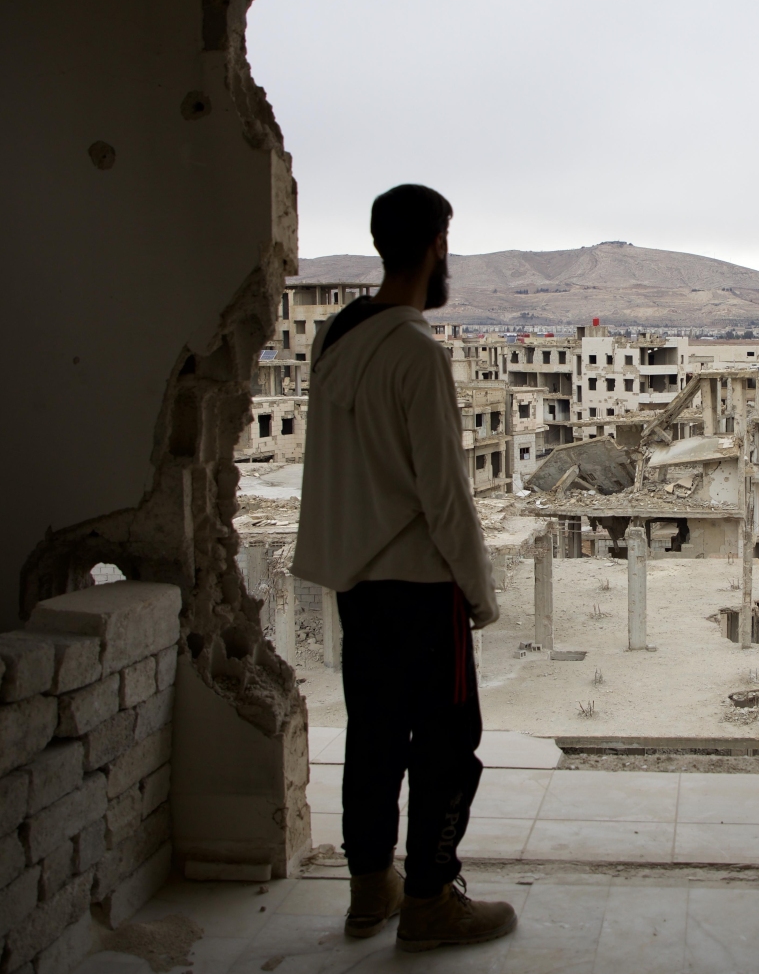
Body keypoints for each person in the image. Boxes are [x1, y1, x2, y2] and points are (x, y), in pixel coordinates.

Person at [291, 184, 515, 951]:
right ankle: (429, 897)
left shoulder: (336, 337)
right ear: (437, 245)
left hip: (358, 584)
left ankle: (369, 889)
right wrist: (479, 594)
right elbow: (445, 493)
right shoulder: (417, 352)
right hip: (423, 586)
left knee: (375, 735)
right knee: (449, 743)